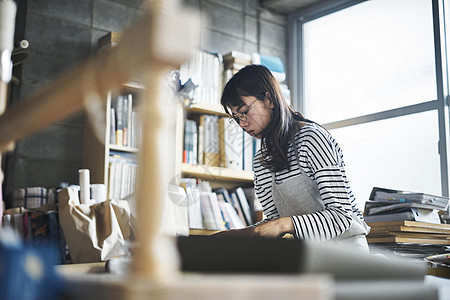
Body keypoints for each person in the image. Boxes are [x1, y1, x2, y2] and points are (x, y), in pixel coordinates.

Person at [216, 64, 370, 252]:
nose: (242, 123)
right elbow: (273, 224)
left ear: (269, 99)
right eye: (236, 117)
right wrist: (241, 235)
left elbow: (341, 216)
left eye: (244, 112)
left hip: (347, 253)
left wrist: (281, 225)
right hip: (306, 255)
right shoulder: (261, 161)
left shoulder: (312, 139)